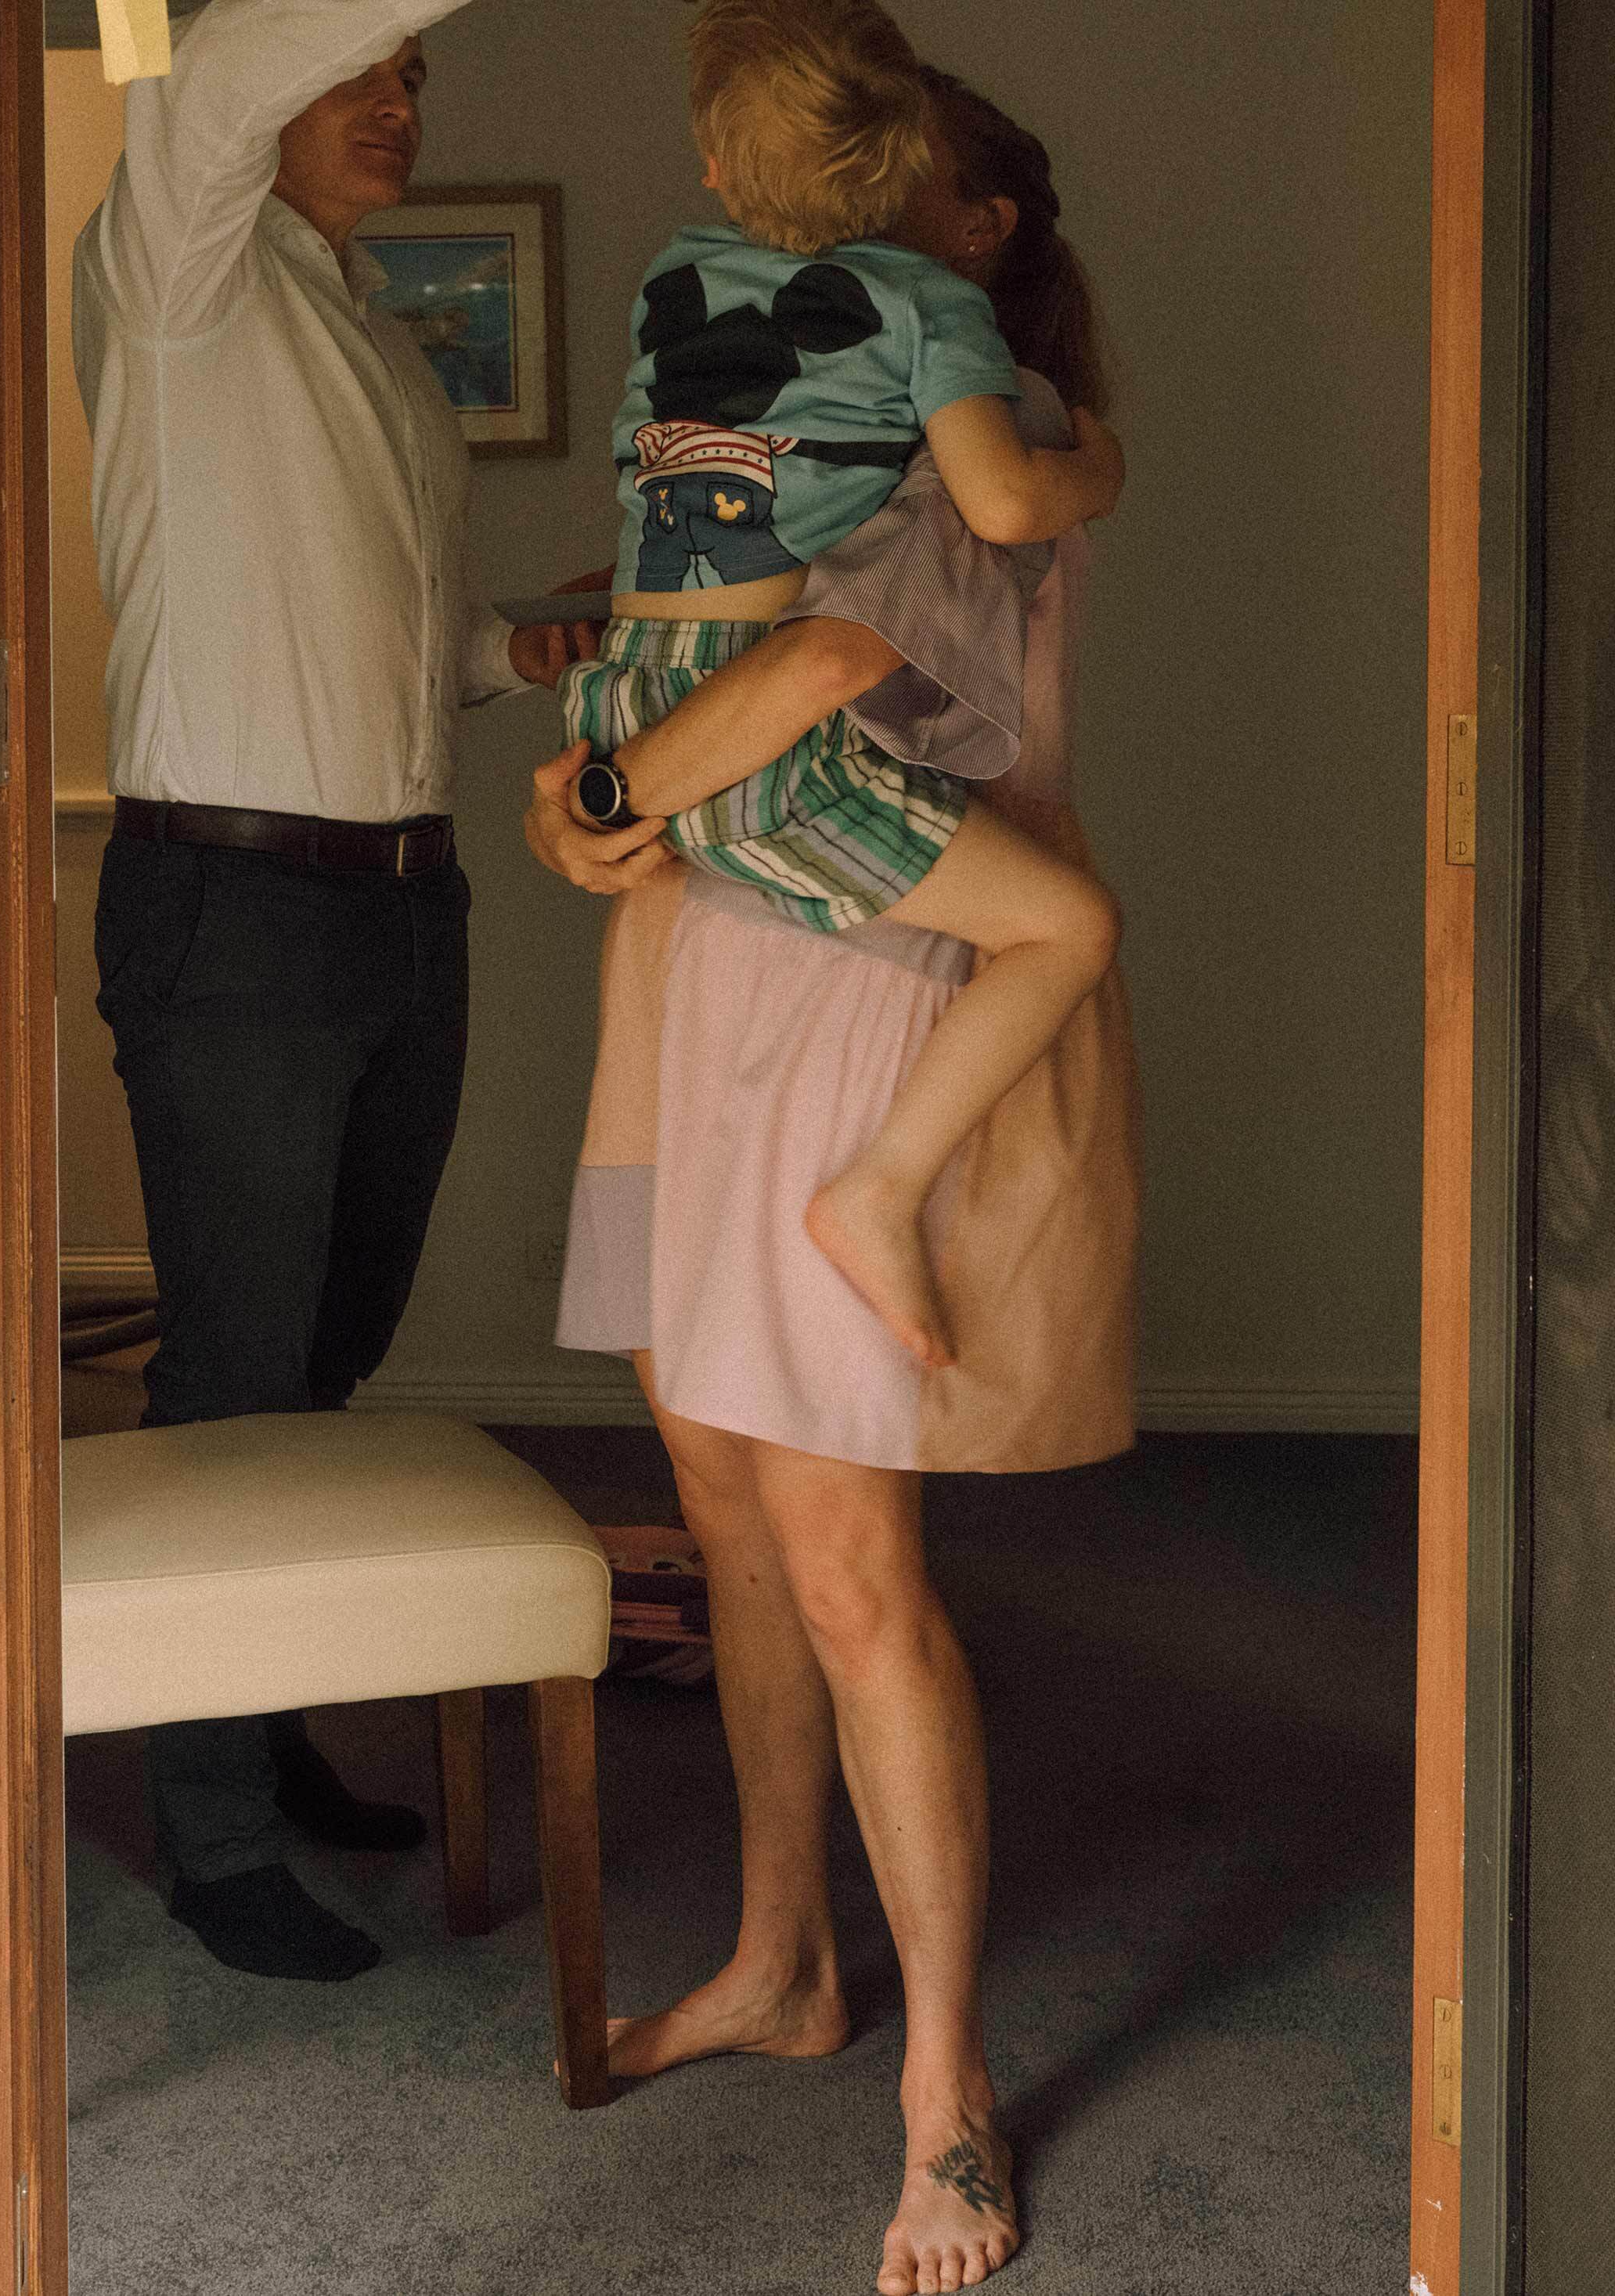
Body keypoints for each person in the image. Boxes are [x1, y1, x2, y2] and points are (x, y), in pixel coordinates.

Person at [527, 64, 1137, 2296]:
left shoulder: (983, 423)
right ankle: (788, 1952)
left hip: (866, 971)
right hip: (703, 973)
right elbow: (664, 678)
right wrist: (599, 792)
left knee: (849, 1548)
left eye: (912, 186)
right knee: (721, 1498)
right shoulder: (820, 378)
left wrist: (596, 779)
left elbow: (814, 667)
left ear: (983, 219)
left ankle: (943, 2092)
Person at [73, 0, 594, 1984]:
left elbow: (389, 631)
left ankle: (265, 1712)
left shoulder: (359, 327)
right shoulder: (176, 252)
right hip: (235, 901)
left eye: (414, 80)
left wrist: (519, 647)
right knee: (234, 1368)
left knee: (328, 1349)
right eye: (367, 69)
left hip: (397, 900)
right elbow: (211, 72)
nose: (398, 99)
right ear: (257, 96)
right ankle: (207, 1835)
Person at [557, 0, 1123, 1372]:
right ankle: (875, 1189)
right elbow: (993, 504)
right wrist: (1095, 469)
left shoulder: (672, 274)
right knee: (1068, 930)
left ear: (711, 164)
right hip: (759, 726)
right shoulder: (931, 309)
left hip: (628, 690)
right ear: (893, 164)